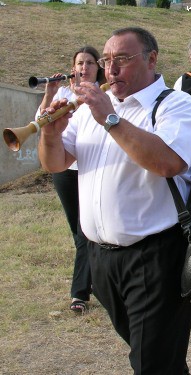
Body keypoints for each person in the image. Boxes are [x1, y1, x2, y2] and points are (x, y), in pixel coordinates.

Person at [38, 27, 191, 373]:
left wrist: (109, 119)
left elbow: (167, 162)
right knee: (160, 359)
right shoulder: (90, 110)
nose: (111, 69)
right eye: (107, 60)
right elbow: (55, 163)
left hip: (154, 257)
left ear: (151, 59)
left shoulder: (176, 105)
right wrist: (49, 134)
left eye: (123, 60)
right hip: (101, 261)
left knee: (150, 363)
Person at [35, 46, 105, 314]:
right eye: (79, 63)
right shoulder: (63, 93)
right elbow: (41, 124)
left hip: (90, 167)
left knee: (85, 232)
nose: (84, 67)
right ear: (72, 67)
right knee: (80, 232)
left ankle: (80, 293)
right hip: (65, 170)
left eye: (89, 63)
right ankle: (95, 284)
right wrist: (49, 94)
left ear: (97, 67)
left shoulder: (103, 93)